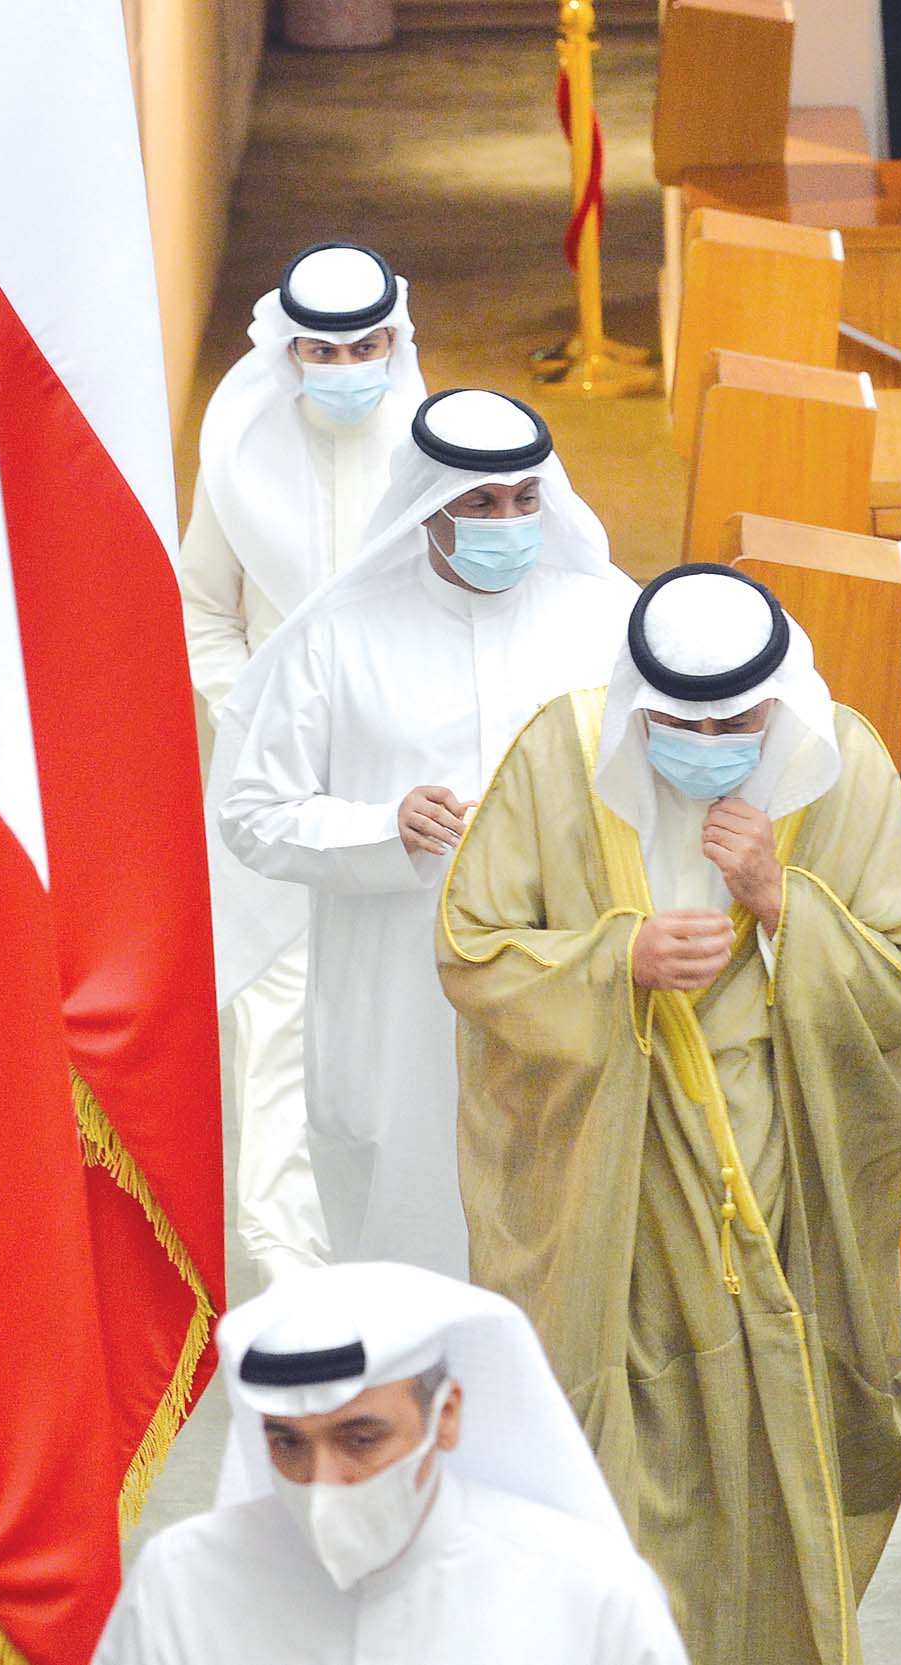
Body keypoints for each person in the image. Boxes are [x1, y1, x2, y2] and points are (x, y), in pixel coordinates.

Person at [436, 565, 901, 1665]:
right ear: (638, 705)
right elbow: (473, 949)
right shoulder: (561, 755)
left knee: (770, 1434)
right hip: (607, 1162)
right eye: (680, 725)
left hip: (779, 1155)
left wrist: (780, 902)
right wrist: (617, 959)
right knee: (625, 1439)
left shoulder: (840, 765)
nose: (709, 743)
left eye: (737, 724)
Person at [215, 389, 638, 1279]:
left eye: (524, 499)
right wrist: (383, 828)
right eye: (480, 502)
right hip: (396, 994)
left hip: (568, 969)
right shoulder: (338, 636)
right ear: (429, 506)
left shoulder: (604, 620)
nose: (508, 522)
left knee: (569, 1227)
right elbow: (253, 811)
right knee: (409, 1227)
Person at [184, 242, 426, 1282]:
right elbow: (202, 609)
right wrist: (259, 720)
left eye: (366, 348)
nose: (346, 368)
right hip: (270, 786)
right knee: (278, 1014)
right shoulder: (237, 454)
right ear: (288, 350)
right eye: (323, 351)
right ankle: (290, 1268)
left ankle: (398, 1265)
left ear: (394, 342)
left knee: (403, 1024)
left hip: (401, 784)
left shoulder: (427, 450)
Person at [94, 1262, 689, 1664]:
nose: (323, 1482)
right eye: (289, 1445)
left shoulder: (589, 1594)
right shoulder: (181, 1583)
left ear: (446, 1416)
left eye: (359, 1440)